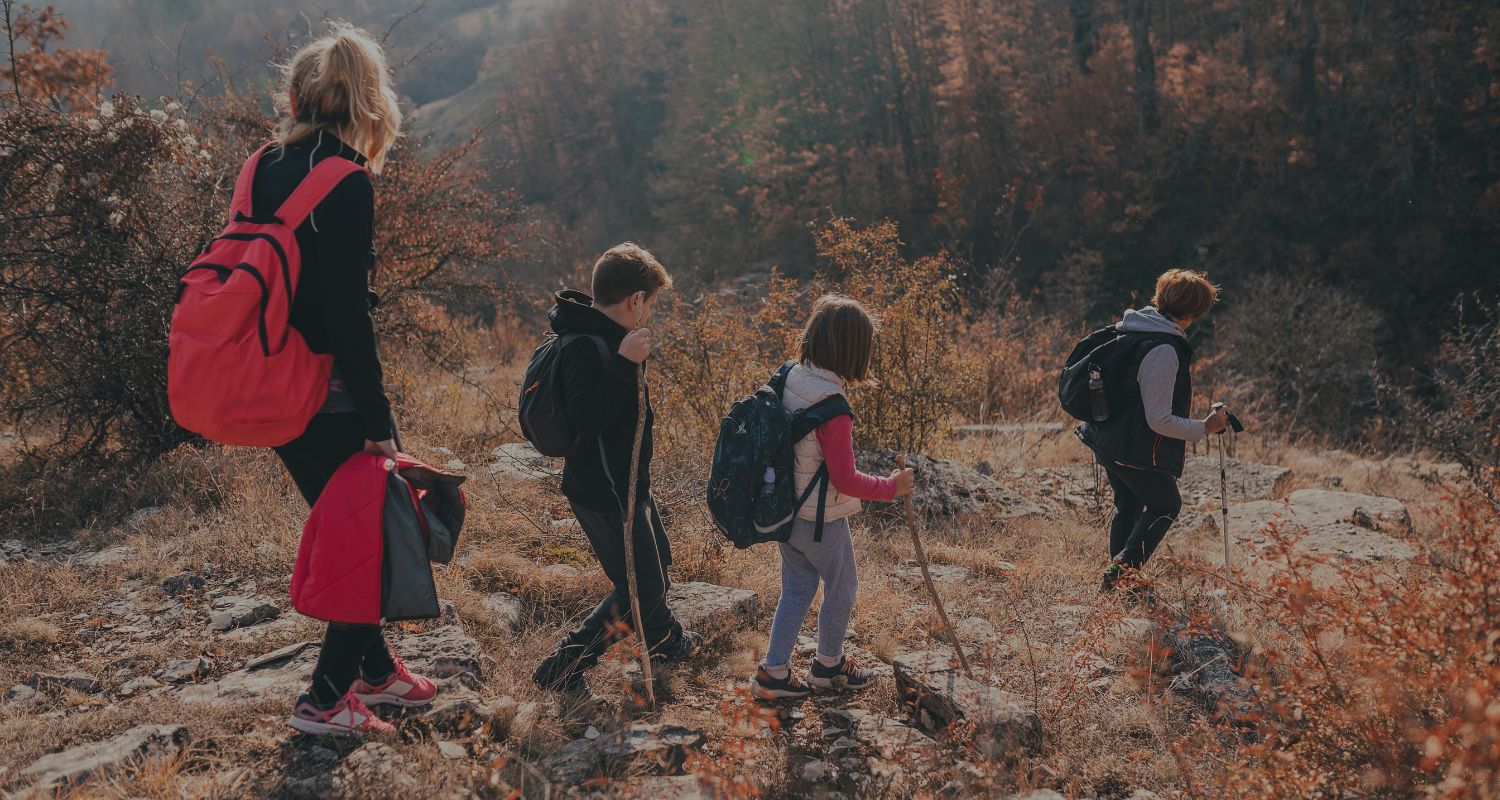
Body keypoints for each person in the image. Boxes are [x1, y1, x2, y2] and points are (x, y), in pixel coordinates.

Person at [259, 23, 436, 736]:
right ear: (369, 101)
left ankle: (377, 671)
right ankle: (326, 699)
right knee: (366, 545)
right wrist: (377, 417)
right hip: (325, 394)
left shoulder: (263, 165)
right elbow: (345, 314)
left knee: (345, 529)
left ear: (299, 96)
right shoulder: (346, 179)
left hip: (267, 385)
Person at [531, 243, 701, 707]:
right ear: (635, 302)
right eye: (651, 304)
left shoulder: (601, 335)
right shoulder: (593, 345)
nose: (649, 314)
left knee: (655, 565)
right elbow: (589, 419)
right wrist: (626, 364)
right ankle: (562, 666)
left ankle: (666, 641)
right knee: (640, 586)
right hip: (606, 493)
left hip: (626, 485)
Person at [749, 295, 916, 700]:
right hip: (821, 520)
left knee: (797, 589)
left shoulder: (789, 376)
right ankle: (828, 664)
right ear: (853, 351)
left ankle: (773, 672)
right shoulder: (834, 408)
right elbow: (848, 479)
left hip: (785, 511)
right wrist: (894, 486)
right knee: (842, 586)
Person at [1079, 269, 1231, 595]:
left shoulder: (1134, 327)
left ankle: (1121, 584)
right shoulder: (1163, 349)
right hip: (1132, 447)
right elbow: (1159, 419)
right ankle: (1120, 574)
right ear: (1192, 314)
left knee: (1128, 504)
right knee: (1166, 506)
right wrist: (1204, 427)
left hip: (1106, 438)